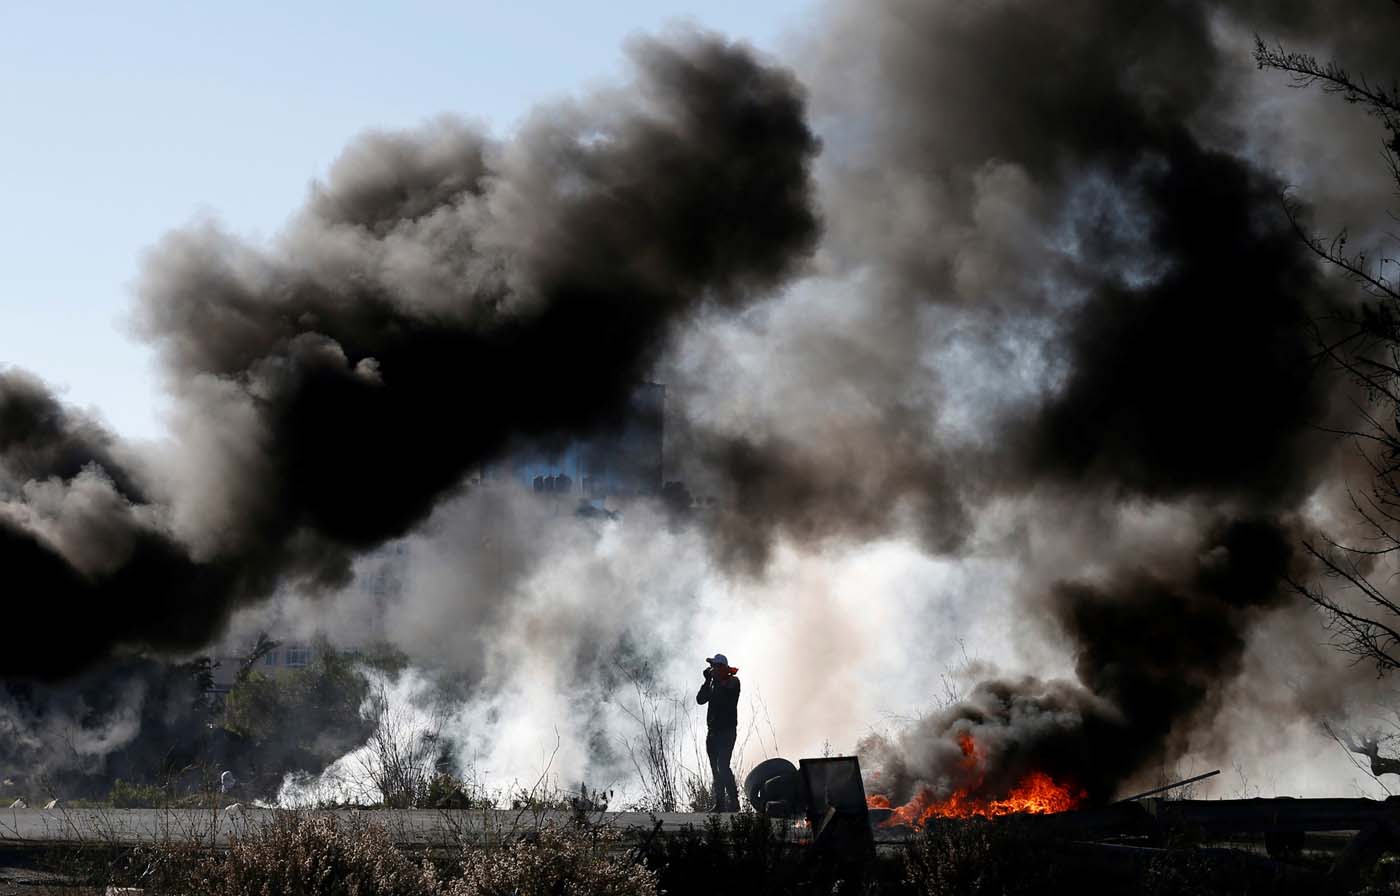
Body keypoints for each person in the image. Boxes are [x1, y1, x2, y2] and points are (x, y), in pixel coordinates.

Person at [696, 652, 740, 812]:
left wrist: (714, 680)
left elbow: (725, 694)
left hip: (727, 732)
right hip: (713, 732)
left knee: (723, 766)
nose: (711, 669)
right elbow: (700, 700)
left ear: (722, 668)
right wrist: (707, 681)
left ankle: (734, 802)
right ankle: (720, 804)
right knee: (715, 768)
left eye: (714, 666)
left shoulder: (733, 682)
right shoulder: (713, 683)